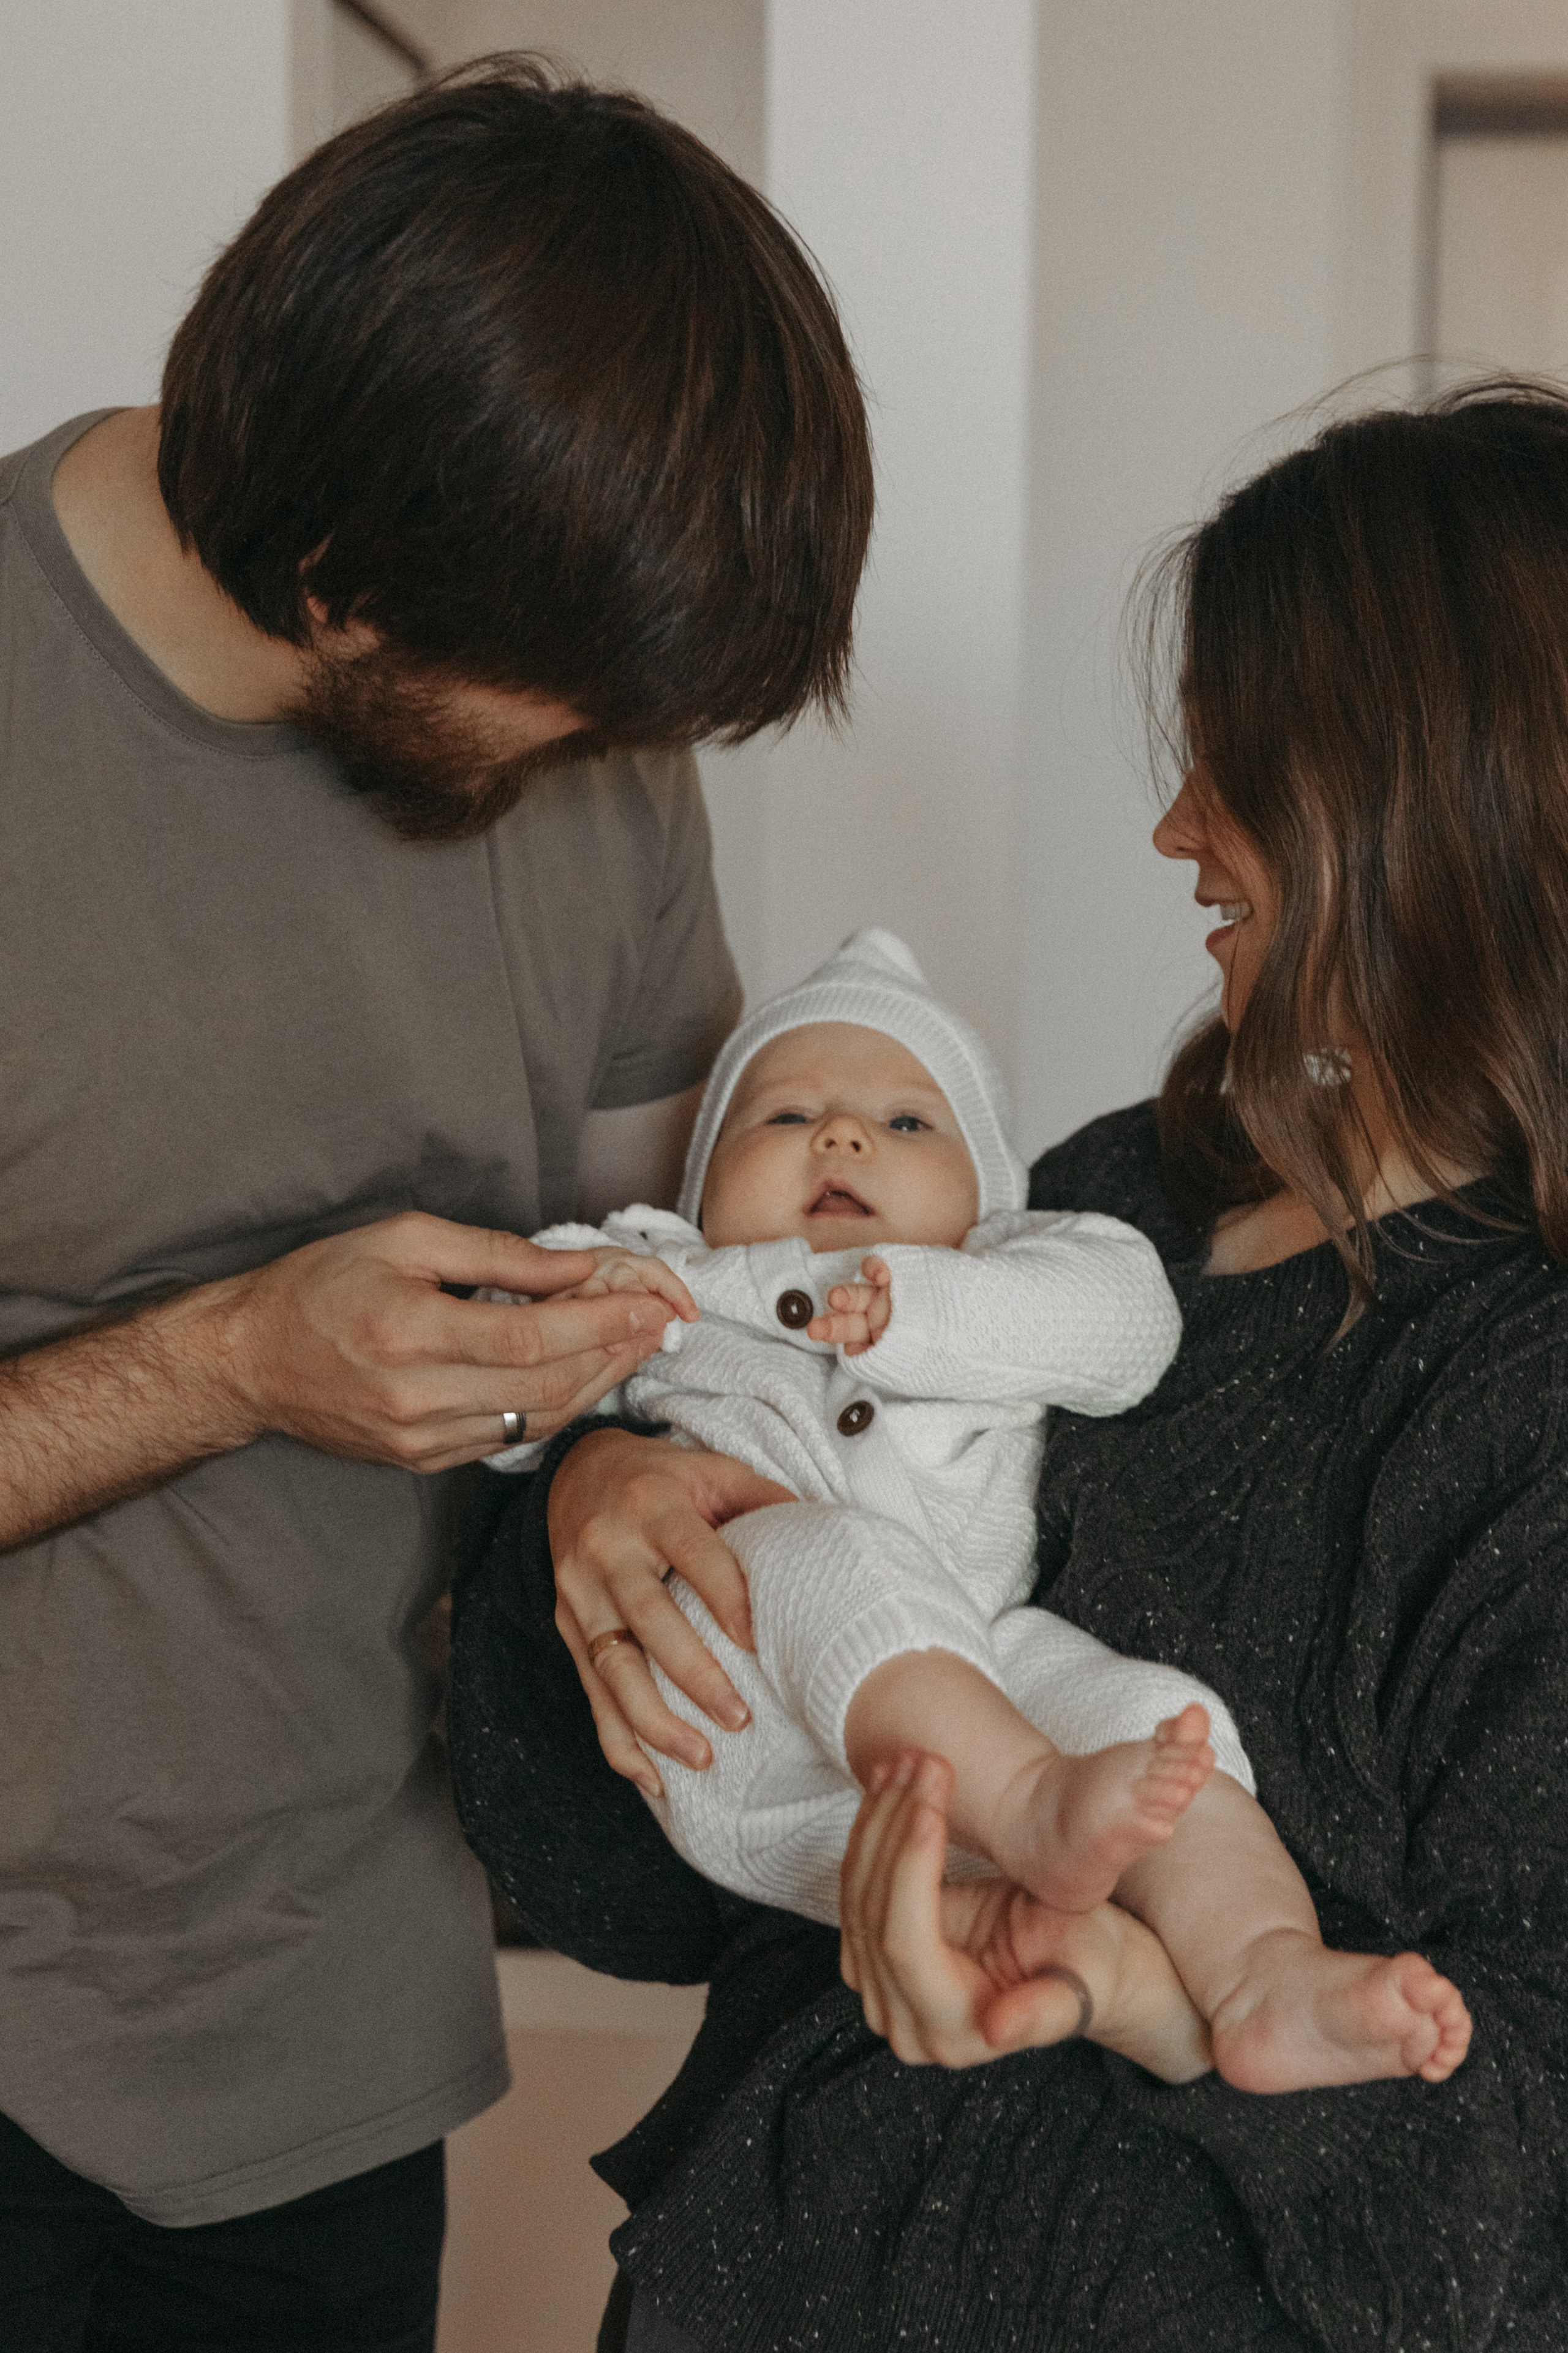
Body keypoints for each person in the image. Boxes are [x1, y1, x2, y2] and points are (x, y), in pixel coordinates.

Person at [451, 382, 1568, 2351]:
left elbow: (1488, 2238)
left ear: (1440, 794)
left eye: (1247, 760)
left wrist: (1151, 2003)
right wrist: (610, 1504)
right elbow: (630, 1888)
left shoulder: (1522, 1416)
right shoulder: (1098, 1207)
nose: (1172, 824)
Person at [0, 57, 871, 2352]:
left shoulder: (603, 747)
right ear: (334, 578)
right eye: (559, 711)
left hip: (332, 2056)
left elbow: (669, 1295)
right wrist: (227, 1364)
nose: (602, 765)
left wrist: (612, 1447)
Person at [485, 922, 1471, 2094]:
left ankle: (1262, 1972)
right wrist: (568, 1392)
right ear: (697, 1192)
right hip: (754, 1701)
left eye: (908, 1122)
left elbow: (1127, 1332)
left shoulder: (1021, 1264)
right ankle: (1031, 1807)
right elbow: (506, 1341)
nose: (844, 1132)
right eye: (785, 1115)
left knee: (1160, 1721)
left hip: (985, 1674)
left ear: (987, 1196)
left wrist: (919, 1310)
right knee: (820, 1553)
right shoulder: (676, 1282)